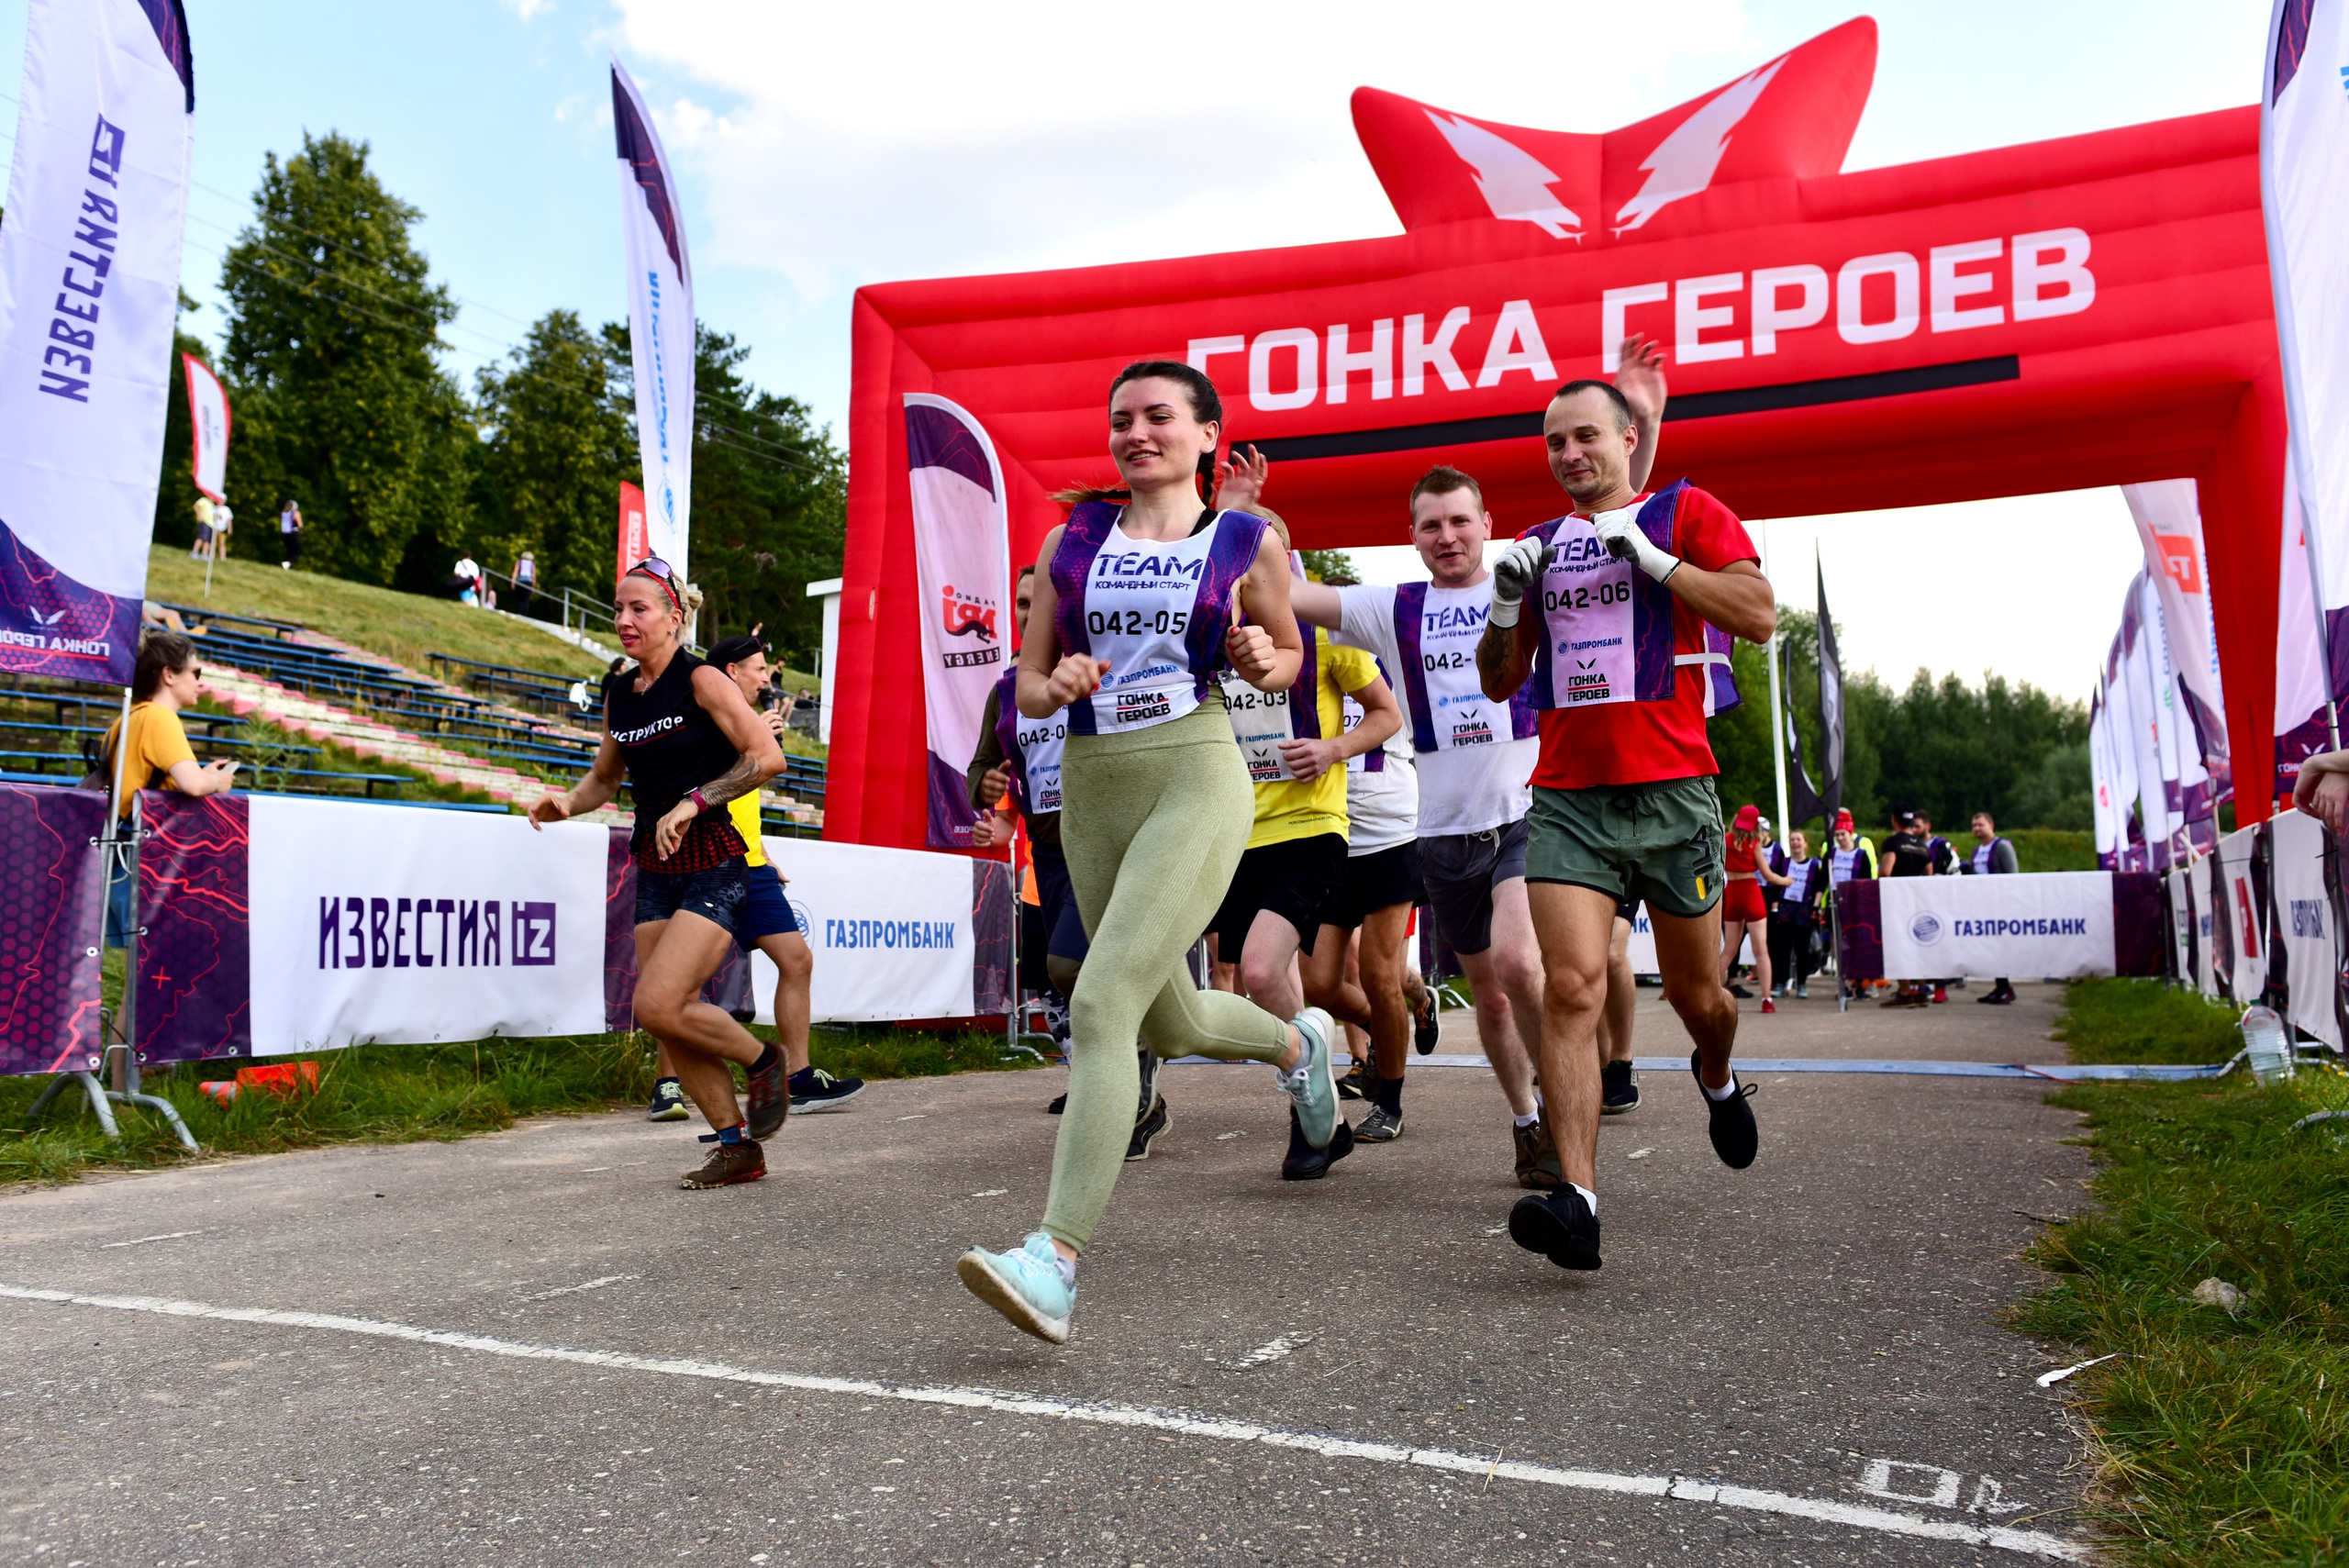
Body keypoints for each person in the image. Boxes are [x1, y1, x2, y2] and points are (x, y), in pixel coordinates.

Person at [956, 360, 1339, 1346]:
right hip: (1092, 785)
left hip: (1194, 774)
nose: (1136, 433)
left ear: (1207, 435)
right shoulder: (1071, 539)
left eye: (1159, 417)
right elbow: (1030, 685)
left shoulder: (1245, 540)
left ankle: (1054, 1258)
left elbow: (1289, 655)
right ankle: (1300, 1046)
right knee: (1161, 1020)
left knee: (1099, 1000)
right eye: (1121, 418)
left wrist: (1267, 657)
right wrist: (1061, 680)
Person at [1475, 375, 1776, 1273]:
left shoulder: (1684, 511)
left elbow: (1757, 613)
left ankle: (1715, 1074)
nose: (1569, 455)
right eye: (1553, 444)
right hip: (1569, 794)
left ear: (1628, 437)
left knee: (1698, 998)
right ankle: (1578, 1202)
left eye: (1584, 437)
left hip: (1674, 791)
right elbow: (1499, 679)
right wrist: (1501, 604)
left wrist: (1652, 560)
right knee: (1571, 987)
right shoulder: (1537, 546)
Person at [529, 559, 787, 1189]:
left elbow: (766, 756)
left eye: (638, 609)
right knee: (668, 1013)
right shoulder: (622, 692)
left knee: (656, 1000)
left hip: (714, 858)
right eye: (618, 609)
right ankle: (736, 1146)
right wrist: (566, 802)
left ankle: (763, 1058)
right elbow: (605, 780)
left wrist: (695, 800)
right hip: (655, 864)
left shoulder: (700, 679)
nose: (623, 620)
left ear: (674, 616)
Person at [1211, 516, 1400, 1179]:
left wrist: (1331, 748)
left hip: (1311, 825)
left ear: (1283, 557)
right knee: (1273, 988)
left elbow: (1386, 713)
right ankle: (1317, 1122)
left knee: (1261, 972)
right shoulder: (1209, 622)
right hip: (1236, 831)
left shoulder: (1321, 626)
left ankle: (1309, 1085)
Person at [969, 566, 1167, 1159]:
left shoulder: (1105, 664)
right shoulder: (1007, 690)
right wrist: (989, 785)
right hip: (1049, 853)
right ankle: (1136, 1091)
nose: (1032, 614)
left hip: (1113, 840)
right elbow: (981, 765)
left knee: (1068, 967)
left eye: (1042, 603)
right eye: (1023, 604)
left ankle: (1122, 1082)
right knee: (1089, 975)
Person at [704, 633, 863, 1113]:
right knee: (682, 986)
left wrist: (763, 849)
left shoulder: (750, 723)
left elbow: (743, 804)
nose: (767, 676)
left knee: (797, 961)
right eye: (758, 667)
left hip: (752, 863)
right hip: (709, 866)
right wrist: (754, 738)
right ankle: (666, 1085)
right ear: (732, 673)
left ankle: (798, 1076)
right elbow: (708, 788)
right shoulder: (710, 717)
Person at [1309, 654, 1427, 1142]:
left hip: (1391, 834)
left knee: (1380, 975)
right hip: (1330, 834)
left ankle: (1391, 1102)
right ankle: (1405, 1010)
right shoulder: (1306, 664)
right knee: (1318, 985)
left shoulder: (1397, 659)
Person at [95, 630, 240, 946]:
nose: (200, 682)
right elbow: (193, 784)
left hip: (114, 848)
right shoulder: (161, 718)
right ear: (169, 674)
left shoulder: (126, 717)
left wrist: (202, 776)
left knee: (142, 962)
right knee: (154, 956)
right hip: (141, 857)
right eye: (195, 672)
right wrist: (217, 780)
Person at [1720, 806, 1786, 1013]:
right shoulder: (1754, 844)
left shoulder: (1725, 840)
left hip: (1732, 895)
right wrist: (1787, 880)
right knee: (1761, 951)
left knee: (1729, 950)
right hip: (1752, 895)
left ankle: (1712, 993)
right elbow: (1768, 876)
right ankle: (1766, 1000)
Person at [1877, 809, 1936, 1008]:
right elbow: (1929, 875)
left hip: (1896, 901)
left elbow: (1886, 872)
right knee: (1918, 943)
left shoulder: (1893, 842)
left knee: (1898, 944)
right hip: (1918, 901)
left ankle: (1904, 991)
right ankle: (1920, 989)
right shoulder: (1923, 845)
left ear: (1894, 820)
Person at [1965, 811, 2020, 1005]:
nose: (1977, 829)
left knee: (2001, 945)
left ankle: (2006, 987)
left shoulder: (2002, 846)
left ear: (1991, 825)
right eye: (1974, 825)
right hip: (1983, 903)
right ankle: (2000, 985)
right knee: (1991, 947)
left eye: (1980, 824)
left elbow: (2013, 874)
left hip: (2000, 902)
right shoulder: (1976, 850)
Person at [1768, 829, 1827, 1000]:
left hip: (1804, 909)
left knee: (1803, 950)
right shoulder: (1784, 863)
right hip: (1785, 908)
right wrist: (1775, 908)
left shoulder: (1814, 865)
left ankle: (1801, 984)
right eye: (1792, 840)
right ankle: (1780, 983)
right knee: (1782, 949)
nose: (1795, 843)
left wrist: (1815, 907)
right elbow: (1775, 884)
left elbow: (1818, 887)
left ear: (1805, 843)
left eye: (1798, 840)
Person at [1598, 899, 1641, 1113]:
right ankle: (1605, 1068)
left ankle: (1622, 1059)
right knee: (1588, 958)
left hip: (1624, 867)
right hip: (1573, 867)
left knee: (1611, 954)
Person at [1826, 810, 1875, 999]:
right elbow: (1823, 879)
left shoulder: (1862, 853)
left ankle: (1860, 984)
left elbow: (1867, 880)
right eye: (1837, 835)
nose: (1840, 838)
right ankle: (1844, 984)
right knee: (1838, 945)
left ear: (1850, 834)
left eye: (1843, 834)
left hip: (1855, 903)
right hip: (1835, 902)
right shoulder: (1831, 853)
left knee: (1857, 943)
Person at [512, 551, 539, 617]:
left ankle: (519, 612)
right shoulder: (532, 563)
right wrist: (533, 586)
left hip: (520, 581)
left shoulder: (519, 562)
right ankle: (524, 615)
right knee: (526, 599)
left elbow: (515, 572)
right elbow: (533, 575)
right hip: (529, 582)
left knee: (520, 598)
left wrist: (513, 582)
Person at [279, 501, 303, 569]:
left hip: (284, 534)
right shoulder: (295, 513)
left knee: (289, 551)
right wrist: (301, 531)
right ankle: (288, 563)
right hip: (292, 534)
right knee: (297, 552)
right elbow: (300, 525)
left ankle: (287, 565)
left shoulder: (283, 513)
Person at [191, 495, 215, 561]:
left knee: (207, 540)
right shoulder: (204, 500)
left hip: (211, 524)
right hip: (204, 521)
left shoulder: (212, 504)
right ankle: (194, 552)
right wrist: (199, 515)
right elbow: (196, 506)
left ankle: (204, 554)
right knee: (201, 537)